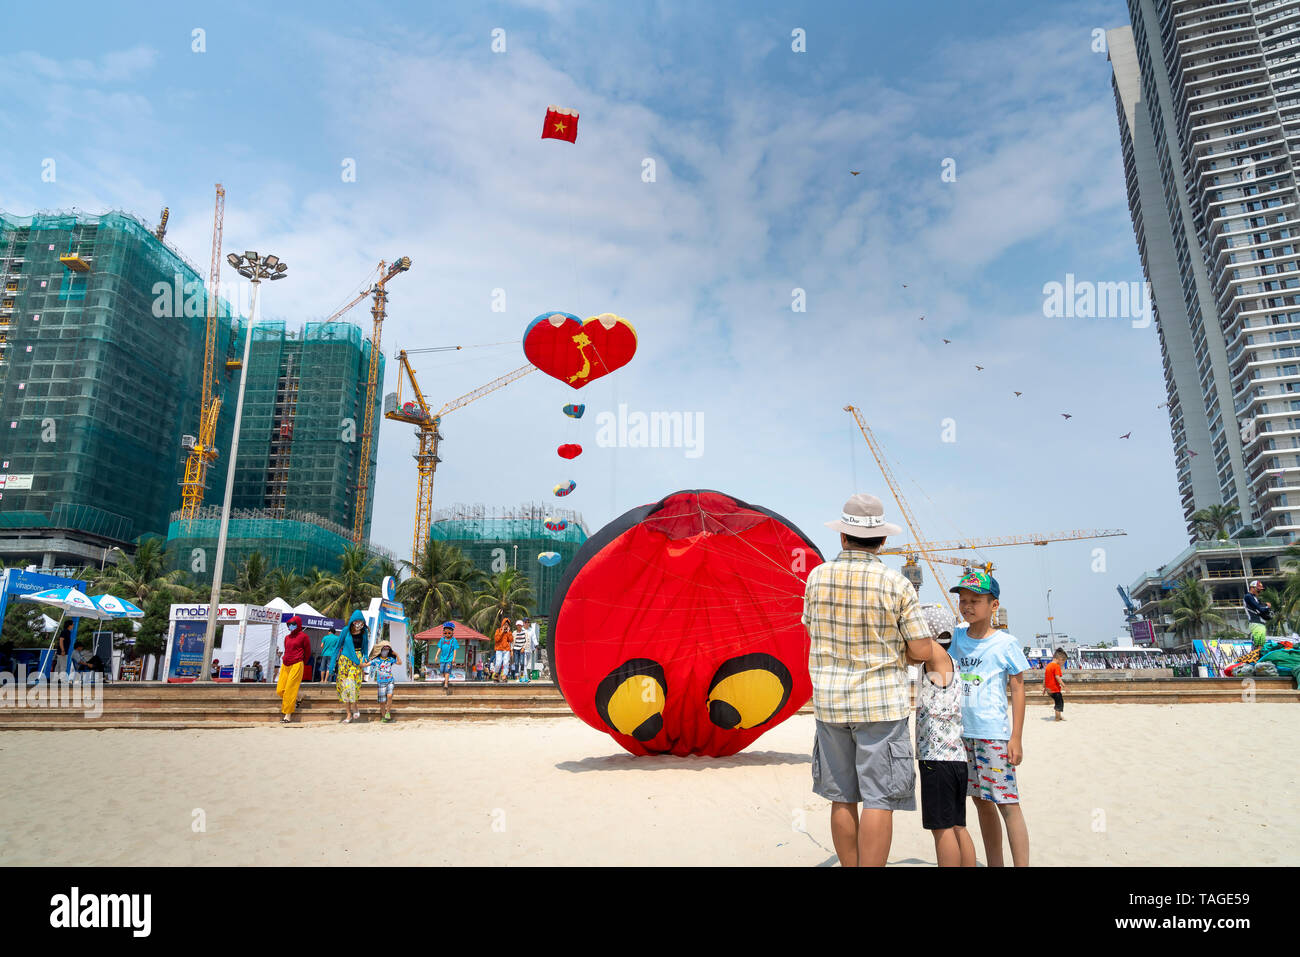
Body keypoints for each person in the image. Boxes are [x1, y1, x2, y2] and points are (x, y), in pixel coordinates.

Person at [802, 493, 934, 867]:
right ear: (883, 541)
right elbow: (923, 649)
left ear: (843, 537)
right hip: (881, 704)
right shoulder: (895, 583)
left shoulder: (816, 577)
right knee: (879, 799)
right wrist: (898, 651)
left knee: (842, 796)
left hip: (830, 703)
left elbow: (811, 630)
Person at [948, 570, 1030, 867]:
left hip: (993, 735)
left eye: (975, 600)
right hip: (961, 734)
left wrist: (1016, 737)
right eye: (963, 600)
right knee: (981, 802)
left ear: (994, 605)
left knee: (1008, 803)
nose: (967, 605)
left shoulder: (1005, 643)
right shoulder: (956, 636)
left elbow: (1018, 688)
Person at [916, 631, 976, 867]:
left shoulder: (935, 656)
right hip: (956, 757)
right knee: (958, 826)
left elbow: (916, 647)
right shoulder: (954, 663)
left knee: (942, 829)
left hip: (936, 758)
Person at [276, 615, 312, 724]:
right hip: (286, 664)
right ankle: (299, 697)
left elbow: (308, 652)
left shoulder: (304, 637)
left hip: (297, 664)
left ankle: (287, 715)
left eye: (293, 624)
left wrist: (301, 662)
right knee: (280, 690)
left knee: (290, 690)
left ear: (298, 625)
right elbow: (287, 650)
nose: (291, 626)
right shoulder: (287, 637)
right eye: (289, 624)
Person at [337, 611, 369, 723]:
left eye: (360, 621)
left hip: (357, 659)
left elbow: (365, 648)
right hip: (345, 660)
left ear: (363, 622)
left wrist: (365, 657)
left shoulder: (364, 632)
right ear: (352, 621)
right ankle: (348, 714)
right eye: (356, 621)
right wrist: (331, 664)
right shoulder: (346, 630)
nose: (358, 623)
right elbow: (338, 646)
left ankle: (355, 706)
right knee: (345, 689)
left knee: (351, 684)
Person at [366, 638, 403, 722]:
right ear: (381, 650)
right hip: (381, 682)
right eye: (384, 649)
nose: (386, 651)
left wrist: (396, 654)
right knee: (382, 701)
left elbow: (400, 663)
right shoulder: (376, 660)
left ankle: (388, 712)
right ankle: (383, 716)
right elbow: (366, 664)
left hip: (390, 680)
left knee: (389, 696)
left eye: (387, 649)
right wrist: (358, 663)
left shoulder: (390, 659)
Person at [1245, 580, 1271, 647]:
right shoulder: (1248, 596)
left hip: (1260, 623)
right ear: (1252, 588)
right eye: (1258, 590)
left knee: (1261, 645)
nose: (1260, 592)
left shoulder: (1254, 598)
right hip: (1255, 623)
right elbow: (1260, 609)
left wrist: (1266, 606)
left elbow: (1260, 607)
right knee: (1259, 646)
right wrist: (1267, 607)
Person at [1044, 648, 1067, 721]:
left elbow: (1045, 678)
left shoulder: (1048, 666)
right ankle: (1057, 718)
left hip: (1049, 690)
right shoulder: (1056, 666)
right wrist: (1064, 686)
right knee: (1059, 703)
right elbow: (1057, 677)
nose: (1062, 664)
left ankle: (1059, 716)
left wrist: (1044, 688)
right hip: (1055, 689)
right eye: (1063, 662)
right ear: (1060, 659)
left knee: (1058, 702)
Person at [436, 622, 459, 694]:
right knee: (442, 671)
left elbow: (455, 650)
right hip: (442, 659)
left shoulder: (454, 640)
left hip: (449, 659)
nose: (447, 635)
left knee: (447, 671)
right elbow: (439, 648)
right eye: (445, 633)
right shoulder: (442, 640)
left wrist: (454, 658)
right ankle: (446, 679)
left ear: (452, 632)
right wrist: (436, 655)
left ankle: (446, 684)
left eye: (449, 633)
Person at [492, 617, 512, 682]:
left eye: (507, 625)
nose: (506, 626)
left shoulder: (509, 632)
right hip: (499, 649)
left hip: (506, 649)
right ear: (502, 624)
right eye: (505, 624)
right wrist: (502, 632)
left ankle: (504, 676)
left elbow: (511, 640)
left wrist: (508, 632)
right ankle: (496, 674)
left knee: (506, 663)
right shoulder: (498, 630)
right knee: (498, 662)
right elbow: (496, 639)